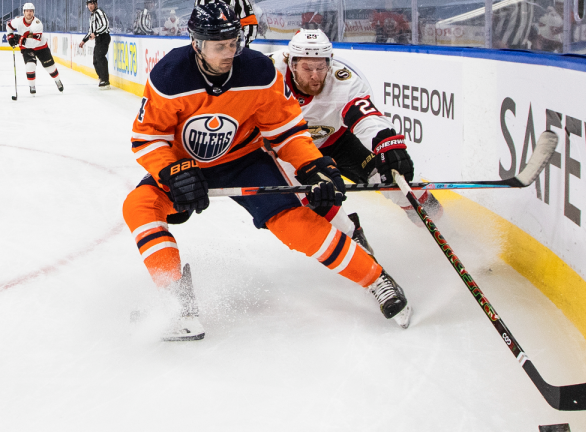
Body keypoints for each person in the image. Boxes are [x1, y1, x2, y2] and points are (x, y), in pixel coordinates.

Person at [122, 2, 412, 342]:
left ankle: (377, 279)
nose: (230, 52)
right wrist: (172, 171)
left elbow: (287, 131)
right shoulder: (169, 76)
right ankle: (176, 303)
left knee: (294, 222)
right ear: (196, 42)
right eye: (220, 46)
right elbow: (148, 137)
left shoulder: (259, 72)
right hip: (187, 165)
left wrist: (310, 165)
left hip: (243, 161)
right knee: (139, 206)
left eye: (234, 43)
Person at [267, 29, 442, 255]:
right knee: (319, 203)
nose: (315, 76)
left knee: (397, 182)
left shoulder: (343, 81)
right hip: (289, 150)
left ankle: (448, 233)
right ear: (291, 63)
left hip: (337, 140)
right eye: (307, 68)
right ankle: (364, 259)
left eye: (320, 67)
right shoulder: (267, 73)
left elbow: (367, 118)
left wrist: (388, 144)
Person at [6, 3, 64, 94]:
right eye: (27, 11)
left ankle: (57, 80)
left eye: (31, 11)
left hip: (41, 46)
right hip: (26, 47)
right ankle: (32, 86)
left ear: (33, 13)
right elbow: (9, 25)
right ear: (23, 12)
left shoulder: (37, 24)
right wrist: (10, 36)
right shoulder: (18, 21)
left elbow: (34, 43)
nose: (29, 13)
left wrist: (20, 40)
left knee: (50, 67)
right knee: (30, 65)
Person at [79, 0, 111, 88]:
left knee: (100, 56)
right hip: (98, 39)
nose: (90, 6)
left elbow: (105, 25)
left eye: (92, 4)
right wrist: (83, 41)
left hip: (103, 37)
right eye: (89, 4)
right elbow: (90, 31)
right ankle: (102, 78)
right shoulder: (92, 16)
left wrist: (96, 33)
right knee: (95, 60)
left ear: (96, 4)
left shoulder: (99, 12)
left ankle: (105, 80)